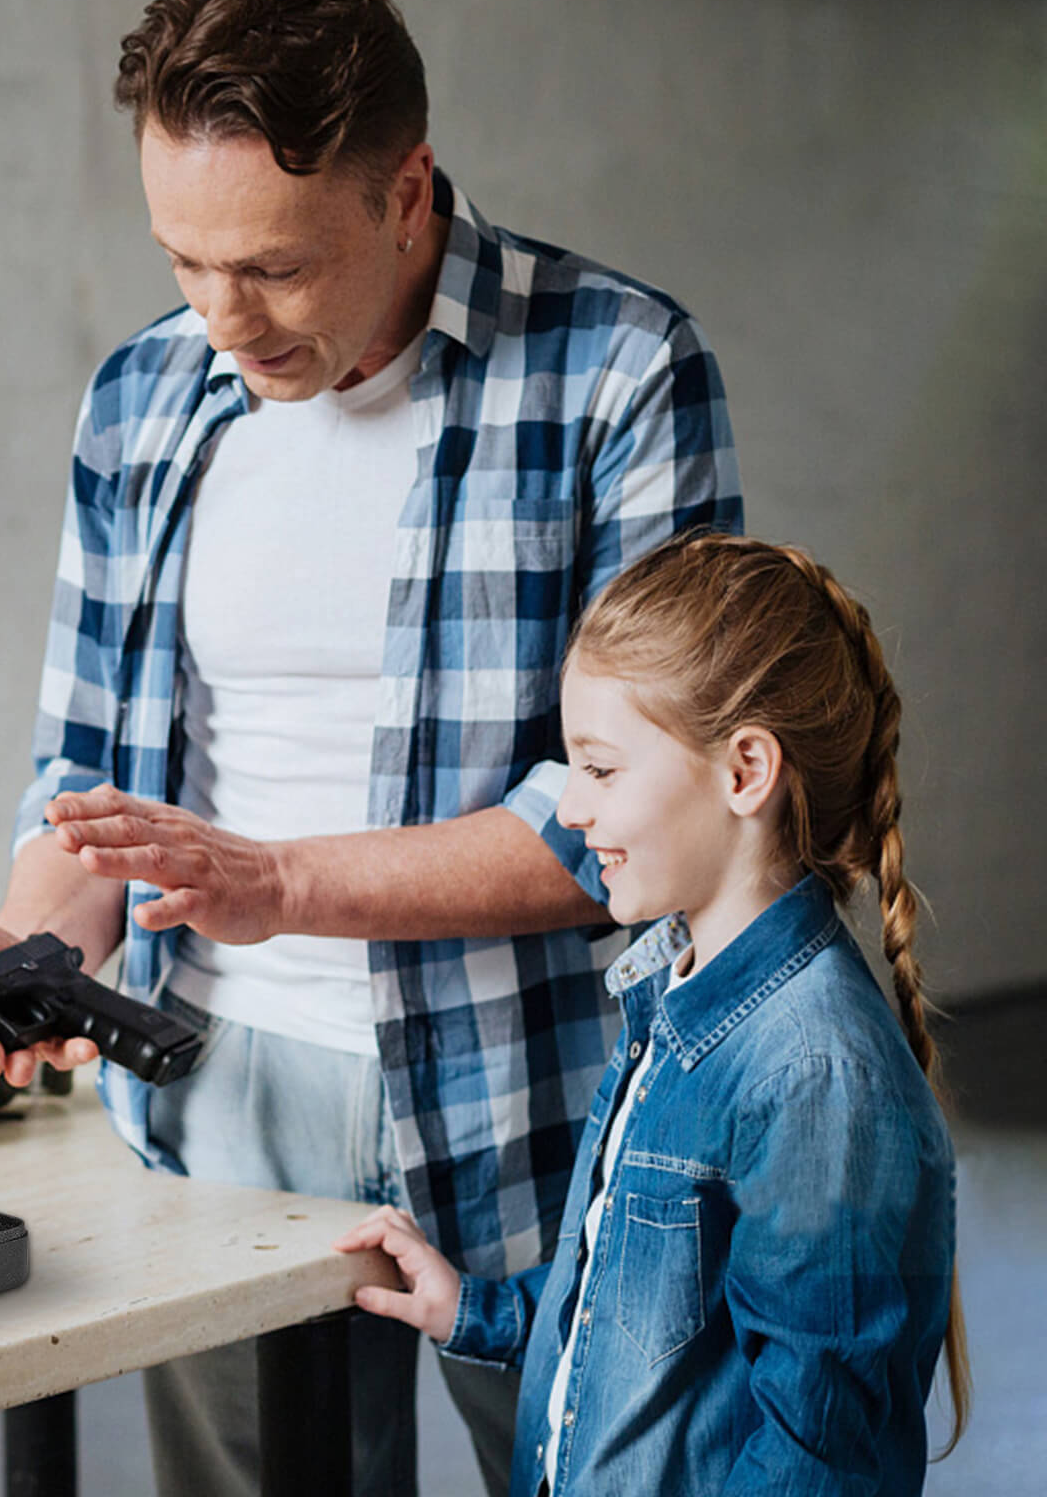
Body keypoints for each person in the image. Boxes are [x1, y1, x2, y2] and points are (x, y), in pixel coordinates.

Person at [0, 0, 741, 1497]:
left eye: (271, 267)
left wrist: (283, 886)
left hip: (530, 1090)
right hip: (216, 1089)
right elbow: (89, 768)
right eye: (184, 259)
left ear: (406, 194)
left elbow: (652, 819)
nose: (222, 317)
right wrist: (39, 950)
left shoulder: (618, 371)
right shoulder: (142, 398)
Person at [337, 531, 970, 1496]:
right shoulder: (672, 989)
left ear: (746, 771)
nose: (572, 811)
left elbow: (821, 1461)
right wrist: (475, 1311)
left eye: (599, 769)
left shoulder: (814, 1074)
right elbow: (634, 1294)